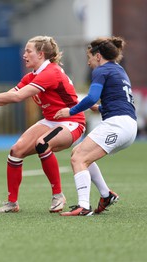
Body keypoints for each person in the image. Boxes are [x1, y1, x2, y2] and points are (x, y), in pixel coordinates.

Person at [0, 35, 86, 213]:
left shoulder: (50, 73)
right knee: (16, 151)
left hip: (72, 121)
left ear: (40, 54)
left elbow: (17, 97)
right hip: (51, 121)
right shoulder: (32, 76)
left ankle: (58, 195)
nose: (24, 55)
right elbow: (7, 97)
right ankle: (12, 203)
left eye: (28, 51)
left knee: (42, 143)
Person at [54, 36, 137, 216]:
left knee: (79, 160)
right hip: (127, 124)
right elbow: (119, 101)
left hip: (117, 125)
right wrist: (99, 108)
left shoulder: (102, 70)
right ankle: (106, 195)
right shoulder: (118, 69)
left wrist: (71, 111)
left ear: (98, 56)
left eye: (89, 57)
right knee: (77, 153)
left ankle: (83, 206)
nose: (89, 62)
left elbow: (91, 96)